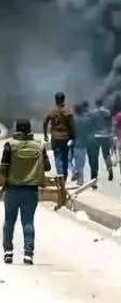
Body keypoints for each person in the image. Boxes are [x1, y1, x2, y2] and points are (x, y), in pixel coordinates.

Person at [1, 120, 51, 265]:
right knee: (28, 221)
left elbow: (3, 168)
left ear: (16, 129)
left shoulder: (9, 145)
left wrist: (3, 184)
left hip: (12, 189)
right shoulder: (39, 145)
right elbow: (47, 167)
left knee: (9, 221)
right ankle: (28, 254)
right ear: (29, 129)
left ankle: (8, 252)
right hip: (31, 190)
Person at [43, 93, 73, 189]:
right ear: (64, 99)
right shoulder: (68, 111)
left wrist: (45, 134)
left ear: (56, 100)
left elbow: (45, 122)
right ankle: (64, 176)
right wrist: (73, 136)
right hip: (66, 137)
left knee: (58, 157)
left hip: (55, 137)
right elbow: (72, 125)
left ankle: (60, 175)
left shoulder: (52, 111)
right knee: (65, 157)